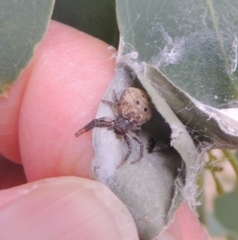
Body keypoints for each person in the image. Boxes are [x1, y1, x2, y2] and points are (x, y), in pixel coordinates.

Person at [0, 20, 208, 240]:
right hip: (134, 104)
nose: (118, 130)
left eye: (120, 128)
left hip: (136, 105)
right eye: (119, 128)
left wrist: (130, 157)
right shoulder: (121, 118)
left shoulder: (127, 126)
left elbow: (132, 141)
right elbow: (114, 111)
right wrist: (83, 131)